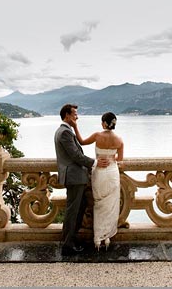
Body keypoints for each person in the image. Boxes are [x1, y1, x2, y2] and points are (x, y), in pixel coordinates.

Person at [54, 104, 109, 256]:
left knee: (79, 206)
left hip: (75, 176)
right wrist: (96, 163)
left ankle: (70, 239)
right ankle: (67, 245)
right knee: (73, 210)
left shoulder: (64, 130)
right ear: (67, 115)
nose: (77, 117)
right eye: (74, 114)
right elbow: (75, 156)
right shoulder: (64, 132)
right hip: (74, 177)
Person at [72, 111, 124, 251]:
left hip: (99, 173)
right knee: (110, 206)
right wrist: (112, 158)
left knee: (99, 204)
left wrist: (75, 126)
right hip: (112, 173)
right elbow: (120, 160)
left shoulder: (97, 135)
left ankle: (97, 239)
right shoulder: (119, 140)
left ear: (103, 123)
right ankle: (106, 237)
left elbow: (81, 141)